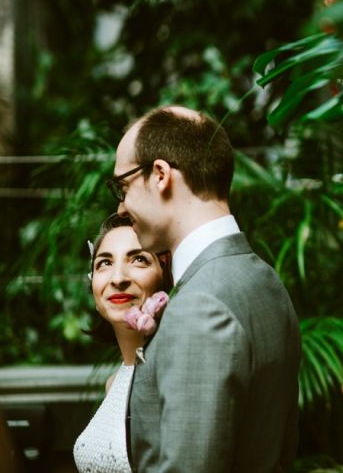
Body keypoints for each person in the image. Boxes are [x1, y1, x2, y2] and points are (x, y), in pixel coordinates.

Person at [108, 105, 301, 473]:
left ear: (160, 175)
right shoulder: (265, 281)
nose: (120, 207)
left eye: (123, 186)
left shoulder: (199, 306)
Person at [73, 214, 171, 473]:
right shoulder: (114, 382)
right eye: (104, 263)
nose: (118, 278)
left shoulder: (170, 375)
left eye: (139, 259)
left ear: (165, 276)